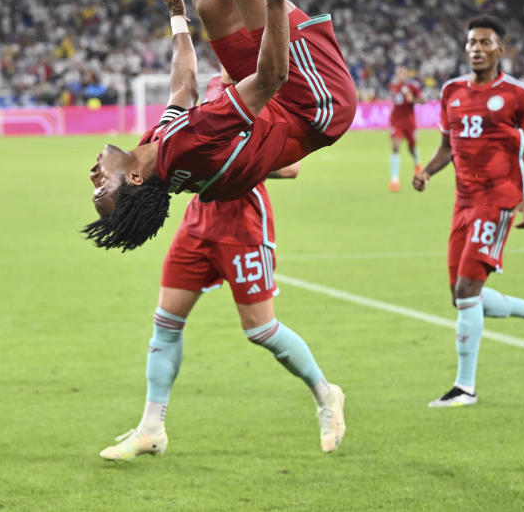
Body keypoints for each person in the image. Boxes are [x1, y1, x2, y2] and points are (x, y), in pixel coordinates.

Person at [84, 0, 394, 252]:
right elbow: (271, 79)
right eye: (102, 187)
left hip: (281, 106)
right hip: (313, 106)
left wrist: (178, 16)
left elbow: (182, 88)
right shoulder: (188, 145)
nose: (94, 175)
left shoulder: (161, 151)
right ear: (135, 179)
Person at [100, 71, 345, 461]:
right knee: (166, 323)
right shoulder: (216, 86)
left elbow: (291, 166)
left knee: (261, 329)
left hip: (243, 224)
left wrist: (226, 167)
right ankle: (151, 428)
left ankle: (325, 393)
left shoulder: (264, 91)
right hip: (198, 222)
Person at [412, 16, 524, 408]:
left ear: (500, 49)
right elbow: (448, 145)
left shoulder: (518, 95)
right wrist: (426, 170)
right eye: (471, 42)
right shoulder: (451, 91)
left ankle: (465, 387)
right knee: (461, 298)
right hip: (463, 202)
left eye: (485, 42)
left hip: (500, 200)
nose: (476, 48)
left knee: (466, 290)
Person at [388, 65, 424, 191]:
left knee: (412, 148)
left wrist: (412, 99)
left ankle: (417, 162)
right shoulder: (392, 86)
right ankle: (394, 180)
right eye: (399, 73)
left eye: (403, 73)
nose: (401, 75)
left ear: (406, 74)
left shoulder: (412, 86)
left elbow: (423, 100)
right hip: (396, 122)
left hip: (410, 122)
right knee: (395, 147)